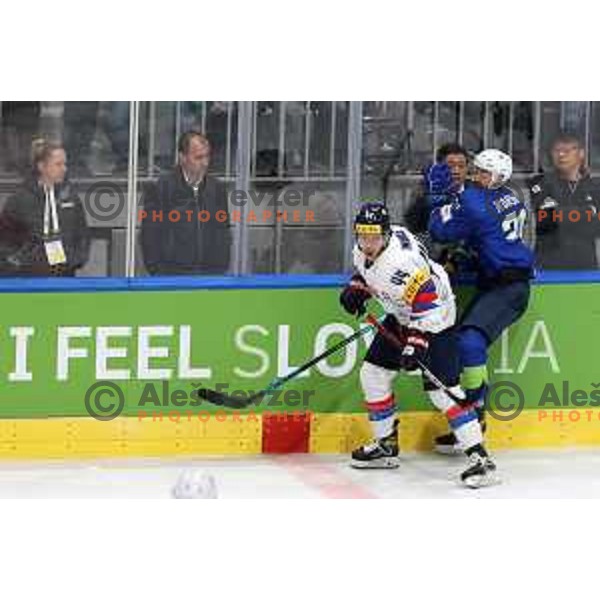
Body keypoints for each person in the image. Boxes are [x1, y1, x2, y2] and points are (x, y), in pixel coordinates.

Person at [339, 200, 497, 488]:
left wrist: (416, 343)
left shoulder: (401, 263)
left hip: (435, 318)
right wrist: (356, 287)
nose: (367, 242)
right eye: (362, 234)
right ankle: (386, 443)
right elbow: (370, 273)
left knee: (443, 392)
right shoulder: (367, 248)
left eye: (373, 236)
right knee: (373, 373)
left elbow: (427, 298)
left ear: (386, 234)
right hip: (401, 313)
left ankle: (481, 458)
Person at [428, 150, 535, 454]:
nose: (476, 176)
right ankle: (470, 421)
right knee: (460, 344)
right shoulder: (509, 195)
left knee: (469, 343)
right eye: (475, 170)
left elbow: (439, 230)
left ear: (498, 177)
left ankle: (475, 418)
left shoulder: (477, 203)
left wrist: (438, 197)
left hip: (508, 288)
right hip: (499, 284)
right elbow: (481, 232)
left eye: (482, 172)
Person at [141, 131, 231, 275]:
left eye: (207, 156)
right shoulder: (161, 188)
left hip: (209, 276)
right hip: (172, 277)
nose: (205, 163)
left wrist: (219, 271)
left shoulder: (217, 189)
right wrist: (159, 273)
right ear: (182, 158)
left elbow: (223, 234)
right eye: (198, 158)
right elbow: (150, 236)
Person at [0, 139, 90, 276]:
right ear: (41, 166)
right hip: (29, 279)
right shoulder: (18, 201)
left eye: (65, 164)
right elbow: (5, 241)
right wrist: (20, 264)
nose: (64, 169)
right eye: (58, 164)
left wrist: (75, 260)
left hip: (65, 276)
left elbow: (82, 234)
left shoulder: (71, 198)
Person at [528, 133, 600, 269]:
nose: (561, 155)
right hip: (548, 265)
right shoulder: (539, 183)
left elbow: (597, 228)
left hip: (585, 266)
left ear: (581, 154)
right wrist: (589, 212)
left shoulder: (595, 187)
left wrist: (562, 214)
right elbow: (545, 219)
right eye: (556, 151)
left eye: (567, 150)